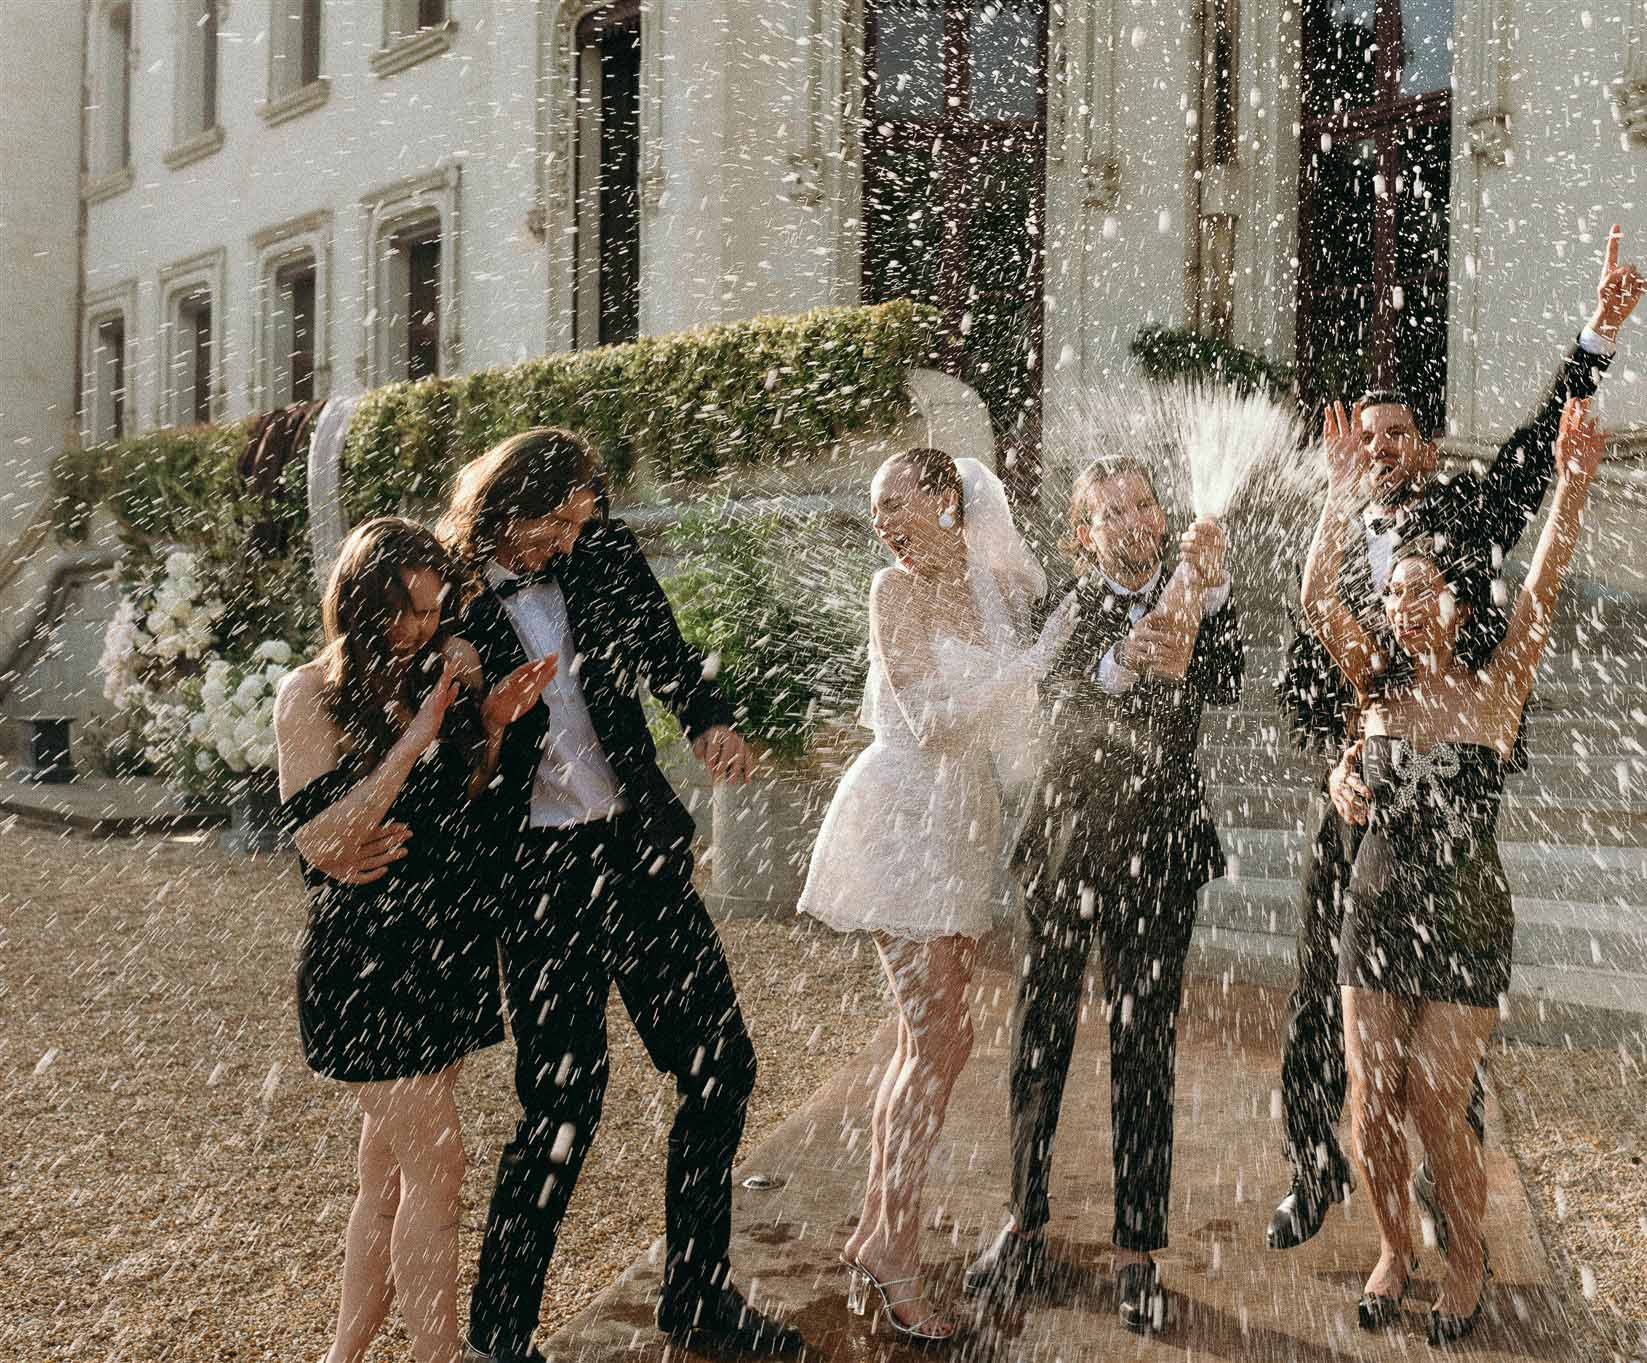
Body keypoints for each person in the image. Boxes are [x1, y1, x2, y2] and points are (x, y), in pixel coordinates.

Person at [1269, 227, 1647, 1254]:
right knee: (1323, 983)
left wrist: (1593, 341)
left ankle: (1446, 1182)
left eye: (1398, 436)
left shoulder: (1470, 512)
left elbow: (1538, 452)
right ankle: (1314, 1169)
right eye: (1369, 436)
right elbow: (1313, 647)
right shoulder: (1342, 523)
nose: (1382, 447)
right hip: (1356, 775)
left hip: (1445, 772)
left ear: (1425, 448)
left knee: (1436, 1016)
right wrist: (1338, 756)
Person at [441, 429, 803, 1363]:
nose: (568, 540)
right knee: (564, 1101)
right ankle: (502, 1338)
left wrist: (710, 720)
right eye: (555, 523)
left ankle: (697, 1294)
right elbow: (441, 769)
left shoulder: (601, 551)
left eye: (579, 522)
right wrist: (485, 723)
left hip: (636, 850)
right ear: (507, 506)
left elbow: (666, 649)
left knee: (722, 1063)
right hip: (537, 876)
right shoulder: (446, 595)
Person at [1302, 398, 1608, 1345]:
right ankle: (1396, 1246)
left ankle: (1468, 1257)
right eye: (1395, 593)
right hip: (1378, 906)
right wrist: (1338, 490)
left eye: (1424, 589)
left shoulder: (1496, 687)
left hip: (1469, 911)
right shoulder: (1376, 684)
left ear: (1460, 603)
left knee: (1439, 1102)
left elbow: (1548, 577)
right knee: (1371, 1095)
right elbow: (1318, 597)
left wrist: (1573, 482)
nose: (1404, 604)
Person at [798, 447, 1076, 1346]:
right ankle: (897, 1252)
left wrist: (1045, 668)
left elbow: (1014, 731)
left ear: (947, 501)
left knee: (939, 1039)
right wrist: (1031, 661)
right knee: (937, 1037)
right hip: (902, 813)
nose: (882, 518)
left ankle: (880, 1224)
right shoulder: (894, 589)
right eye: (875, 505)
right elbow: (928, 719)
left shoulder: (992, 588)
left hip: (963, 821)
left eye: (896, 501)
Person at [963, 456, 1243, 1332]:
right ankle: (1024, 1221)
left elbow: (1226, 681)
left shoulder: (1202, 589)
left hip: (1160, 852)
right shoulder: (1067, 608)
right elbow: (1053, 707)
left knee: (1144, 1045)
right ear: (1083, 536)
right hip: (1063, 846)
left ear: (1162, 519)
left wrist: (1211, 601)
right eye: (1108, 512)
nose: (1129, 520)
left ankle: (1137, 1249)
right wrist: (1125, 658)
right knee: (1039, 1037)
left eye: (1142, 504)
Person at [274, 517, 557, 1363]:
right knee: (442, 1167)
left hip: (447, 943)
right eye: (401, 610)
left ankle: (343, 1356)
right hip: (369, 959)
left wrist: (494, 722)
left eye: (432, 611)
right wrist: (416, 734)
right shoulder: (310, 693)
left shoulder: (434, 671)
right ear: (358, 601)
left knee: (388, 1175)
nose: (418, 628)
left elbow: (459, 797)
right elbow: (321, 837)